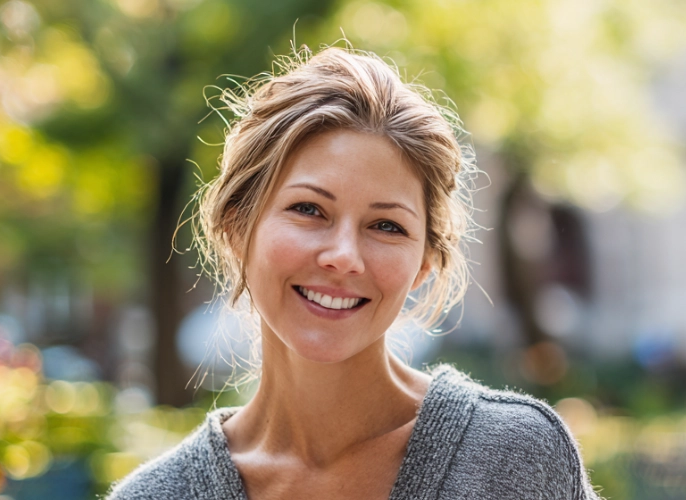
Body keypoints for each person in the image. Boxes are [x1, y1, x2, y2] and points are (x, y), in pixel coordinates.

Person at [106, 47, 598, 499]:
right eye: (309, 209)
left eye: (386, 225)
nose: (344, 256)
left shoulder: (517, 458)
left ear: (424, 262)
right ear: (238, 227)